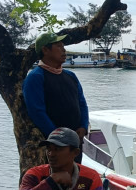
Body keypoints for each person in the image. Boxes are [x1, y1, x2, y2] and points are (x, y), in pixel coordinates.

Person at [23, 32, 89, 163]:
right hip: (55, 146)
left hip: (75, 142)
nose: (63, 49)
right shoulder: (36, 77)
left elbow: (82, 104)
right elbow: (37, 112)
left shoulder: (70, 76)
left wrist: (83, 127)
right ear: (45, 50)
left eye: (63, 46)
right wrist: (58, 139)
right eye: (58, 46)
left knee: (75, 178)